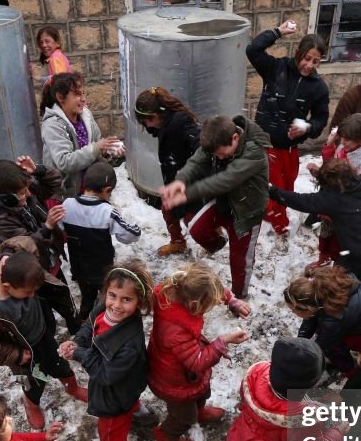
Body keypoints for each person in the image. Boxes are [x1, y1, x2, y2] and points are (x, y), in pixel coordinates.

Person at [59, 260, 154, 441]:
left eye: (127, 299)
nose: (117, 305)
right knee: (130, 398)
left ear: (139, 302)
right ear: (105, 292)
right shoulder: (103, 307)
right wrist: (77, 341)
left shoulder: (129, 343)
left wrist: (80, 354)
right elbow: (90, 324)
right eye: (112, 295)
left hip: (114, 396)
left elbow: (105, 375)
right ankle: (144, 415)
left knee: (111, 434)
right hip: (127, 384)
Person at [0, 252, 88, 429]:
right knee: (34, 382)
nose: (33, 295)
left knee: (60, 365)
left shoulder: (20, 278)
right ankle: (31, 404)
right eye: (27, 292)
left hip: (44, 337)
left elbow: (23, 244)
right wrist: (16, 355)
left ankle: (72, 387)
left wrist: (5, 256)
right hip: (26, 354)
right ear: (8, 286)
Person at [160, 115, 270, 298]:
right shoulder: (218, 139)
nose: (219, 157)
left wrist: (186, 194)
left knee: (240, 259)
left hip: (247, 211)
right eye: (216, 154)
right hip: (223, 202)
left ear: (235, 138)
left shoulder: (255, 152)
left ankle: (239, 296)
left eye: (221, 153)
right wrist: (180, 180)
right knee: (197, 228)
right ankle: (218, 243)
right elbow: (196, 161)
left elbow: (225, 181)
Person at [148, 263, 250, 441]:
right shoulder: (175, 332)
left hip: (185, 372)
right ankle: (166, 438)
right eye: (209, 305)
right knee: (183, 416)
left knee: (202, 393)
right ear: (195, 306)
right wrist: (223, 341)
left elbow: (210, 286)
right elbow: (197, 362)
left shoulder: (181, 285)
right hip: (174, 380)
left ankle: (199, 411)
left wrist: (231, 301)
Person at [246, 20, 329, 235]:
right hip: (266, 144)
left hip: (290, 149)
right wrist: (277, 32)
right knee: (276, 187)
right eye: (307, 58)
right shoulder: (276, 68)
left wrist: (307, 127)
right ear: (298, 53)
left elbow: (321, 119)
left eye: (316, 61)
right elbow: (252, 49)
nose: (309, 65)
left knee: (287, 186)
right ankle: (278, 225)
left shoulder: (318, 87)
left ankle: (270, 212)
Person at [0, 157, 80, 332]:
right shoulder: (2, 220)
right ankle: (49, 335)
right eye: (22, 192)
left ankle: (75, 326)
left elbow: (54, 183)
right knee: (43, 311)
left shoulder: (27, 194)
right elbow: (25, 244)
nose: (28, 194)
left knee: (65, 300)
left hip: (52, 263)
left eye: (27, 188)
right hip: (33, 271)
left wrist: (38, 170)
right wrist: (47, 227)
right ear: (6, 198)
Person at [283, 265, 361, 386]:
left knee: (333, 348)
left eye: (294, 310)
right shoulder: (324, 288)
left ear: (307, 308)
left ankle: (349, 370)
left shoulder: (334, 318)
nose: (294, 313)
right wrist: (302, 338)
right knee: (325, 330)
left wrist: (305, 355)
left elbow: (324, 344)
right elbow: (312, 316)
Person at [271, 159, 361, 279]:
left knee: (336, 289)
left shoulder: (334, 199)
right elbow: (339, 181)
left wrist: (272, 191)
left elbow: (301, 201)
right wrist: (322, 174)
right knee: (340, 266)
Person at [61, 162, 142, 321]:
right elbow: (131, 235)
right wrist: (135, 227)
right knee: (106, 296)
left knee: (87, 295)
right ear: (107, 190)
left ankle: (84, 318)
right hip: (102, 271)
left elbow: (56, 226)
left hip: (79, 268)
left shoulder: (67, 205)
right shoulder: (107, 212)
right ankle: (103, 321)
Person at [134, 86, 202, 257]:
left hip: (188, 180)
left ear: (156, 116)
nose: (146, 127)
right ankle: (177, 242)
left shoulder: (181, 121)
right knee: (168, 209)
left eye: (146, 121)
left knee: (191, 219)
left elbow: (198, 142)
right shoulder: (165, 122)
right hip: (174, 177)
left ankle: (214, 240)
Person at [40, 72, 123, 202]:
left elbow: (95, 145)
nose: (83, 99)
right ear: (61, 97)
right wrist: (96, 148)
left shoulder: (86, 115)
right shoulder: (53, 125)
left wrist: (107, 150)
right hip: (64, 197)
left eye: (83, 93)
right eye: (77, 94)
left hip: (87, 192)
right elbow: (64, 162)